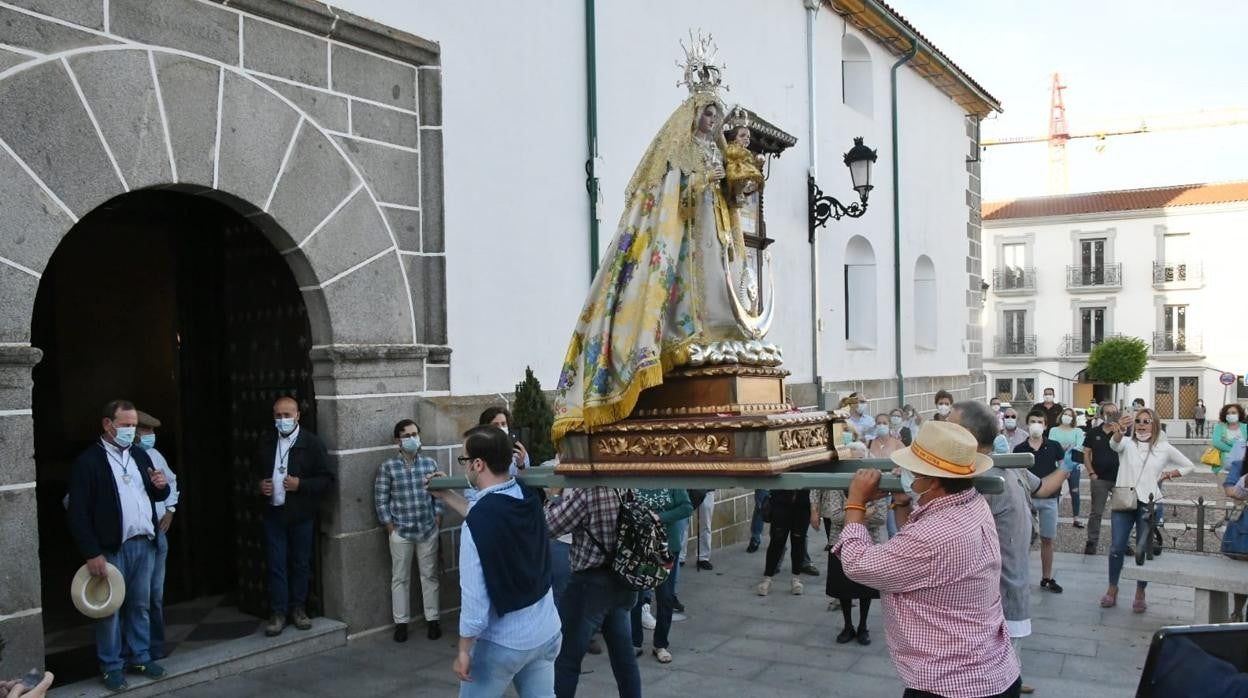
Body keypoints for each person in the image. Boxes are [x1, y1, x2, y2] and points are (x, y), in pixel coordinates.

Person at [551, 71, 750, 444]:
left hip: (713, 232)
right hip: (685, 235)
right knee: (687, 285)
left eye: (716, 115)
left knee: (719, 281)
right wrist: (702, 182)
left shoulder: (717, 150)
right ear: (693, 115)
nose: (712, 121)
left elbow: (731, 200)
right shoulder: (677, 150)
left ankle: (717, 331)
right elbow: (669, 196)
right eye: (707, 114)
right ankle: (683, 336)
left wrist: (733, 186)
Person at [834, 421, 1022, 698]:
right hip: (989, 671)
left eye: (913, 471)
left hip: (951, 683)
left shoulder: (934, 535)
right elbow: (914, 546)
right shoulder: (972, 502)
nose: (908, 475)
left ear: (932, 481)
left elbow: (857, 563)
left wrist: (855, 503)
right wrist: (902, 502)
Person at [424, 426, 561, 697]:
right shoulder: (526, 495)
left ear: (478, 464)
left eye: (464, 460)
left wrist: (463, 650)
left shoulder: (479, 523)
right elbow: (488, 514)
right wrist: (447, 496)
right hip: (546, 629)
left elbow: (475, 601)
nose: (463, 468)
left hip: (504, 641)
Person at [951, 401, 1073, 696]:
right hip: (996, 591)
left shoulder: (997, 473)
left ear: (967, 434)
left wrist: (1066, 469)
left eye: (949, 427)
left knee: (992, 682)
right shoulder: (988, 471)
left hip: (998, 595)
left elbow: (1041, 487)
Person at [66, 400, 171, 691]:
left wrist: (161, 485)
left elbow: (158, 494)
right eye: (125, 425)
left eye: (133, 425)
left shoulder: (140, 455)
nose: (131, 431)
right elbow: (78, 513)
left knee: (140, 604)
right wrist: (91, 552)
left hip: (144, 543)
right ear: (107, 425)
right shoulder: (89, 462)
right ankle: (111, 665)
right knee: (109, 610)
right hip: (111, 549)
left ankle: (140, 656)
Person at [545, 485, 641, 698]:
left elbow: (549, 526)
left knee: (566, 660)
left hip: (590, 585)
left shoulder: (589, 492)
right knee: (624, 658)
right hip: (621, 579)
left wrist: (553, 497)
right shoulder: (625, 485)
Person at [254, 396, 334, 637]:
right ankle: (278, 612)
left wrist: (301, 484)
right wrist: (259, 487)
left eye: (287, 415)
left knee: (300, 563)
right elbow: (252, 474)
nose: (282, 420)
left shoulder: (311, 444)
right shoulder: (266, 442)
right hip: (274, 513)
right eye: (278, 416)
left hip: (300, 515)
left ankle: (298, 609)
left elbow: (327, 479)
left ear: (298, 415)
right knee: (276, 564)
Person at [1101, 408, 1194, 612]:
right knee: (1117, 547)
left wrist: (1169, 474)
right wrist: (1121, 430)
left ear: (1155, 424)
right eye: (1139, 421)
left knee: (1143, 548)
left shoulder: (1164, 448)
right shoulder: (1127, 443)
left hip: (1149, 504)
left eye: (1147, 421)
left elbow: (1189, 465)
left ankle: (1140, 591)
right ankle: (1112, 587)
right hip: (1125, 500)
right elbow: (1113, 443)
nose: (1142, 424)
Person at [374, 419, 444, 642]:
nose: (413, 439)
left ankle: (433, 619)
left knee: (429, 575)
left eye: (415, 434)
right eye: (407, 435)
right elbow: (381, 500)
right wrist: (390, 527)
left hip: (427, 528)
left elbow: (439, 493)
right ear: (398, 441)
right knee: (400, 578)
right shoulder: (388, 468)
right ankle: (401, 623)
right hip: (401, 531)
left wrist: (438, 518)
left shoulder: (429, 464)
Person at [813, 487, 884, 645]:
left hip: (869, 541)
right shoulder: (836, 487)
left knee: (866, 587)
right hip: (840, 543)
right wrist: (865, 513)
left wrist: (852, 516)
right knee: (843, 586)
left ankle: (863, 626)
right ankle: (847, 625)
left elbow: (881, 517)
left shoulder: (874, 485)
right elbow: (836, 517)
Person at [134, 410, 178, 660]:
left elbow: (171, 481)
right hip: (134, 537)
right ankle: (135, 651)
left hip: (158, 533)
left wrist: (170, 510)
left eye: (152, 431)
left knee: (155, 595)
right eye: (146, 431)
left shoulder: (154, 455)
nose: (151, 436)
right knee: (136, 599)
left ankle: (156, 646)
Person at [629, 488, 691, 663]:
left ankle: (660, 644)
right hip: (640, 548)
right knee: (636, 596)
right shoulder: (634, 481)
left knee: (665, 597)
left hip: (666, 548)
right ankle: (635, 642)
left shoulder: (671, 481)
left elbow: (686, 507)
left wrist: (660, 517)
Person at [1015, 409, 1067, 593]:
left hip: (1050, 499)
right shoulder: (1019, 449)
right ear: (1027, 424)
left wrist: (1054, 485)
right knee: (1023, 540)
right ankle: (1020, 576)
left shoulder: (1054, 446)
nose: (1036, 424)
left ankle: (1047, 577)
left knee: (1047, 539)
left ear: (1045, 425)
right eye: (1033, 421)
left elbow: (1063, 469)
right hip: (1027, 499)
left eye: (1040, 421)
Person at [756, 488, 813, 596]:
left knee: (798, 542)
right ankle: (767, 579)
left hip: (803, 504)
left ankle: (796, 579)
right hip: (781, 502)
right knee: (776, 541)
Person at [1083, 401, 1122, 555]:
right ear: (1101, 414)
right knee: (1096, 512)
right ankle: (1092, 542)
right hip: (1099, 478)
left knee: (1121, 512)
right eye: (1108, 412)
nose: (1111, 415)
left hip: (1120, 479)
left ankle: (1121, 542)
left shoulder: (1122, 432)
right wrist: (1091, 472)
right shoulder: (1093, 433)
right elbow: (1086, 453)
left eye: (1114, 412)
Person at [1222, 452, 1248, 621]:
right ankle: (1238, 611)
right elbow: (1229, 490)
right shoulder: (1239, 465)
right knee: (1242, 573)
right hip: (1244, 527)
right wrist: (1245, 483)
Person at [1050, 407, 1086, 529]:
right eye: (1065, 414)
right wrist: (1065, 447)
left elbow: (1079, 447)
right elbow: (1052, 445)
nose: (1067, 416)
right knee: (1055, 491)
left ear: (1073, 418)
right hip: (1057, 465)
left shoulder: (1078, 431)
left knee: (1075, 491)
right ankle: (1053, 517)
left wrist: (1064, 447)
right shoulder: (1054, 430)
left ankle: (1076, 518)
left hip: (1073, 465)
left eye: (1070, 415)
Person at [480, 406, 530, 472]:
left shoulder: (519, 452)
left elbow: (526, 479)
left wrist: (520, 465)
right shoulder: (479, 451)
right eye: (495, 425)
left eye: (503, 424)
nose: (500, 427)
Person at [1211, 403, 1245, 475]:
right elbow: (1216, 443)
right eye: (1228, 413)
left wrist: (1228, 441)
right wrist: (1238, 449)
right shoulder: (1219, 427)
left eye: (1233, 413)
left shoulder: (1245, 427)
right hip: (1224, 468)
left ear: (1239, 414)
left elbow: (1246, 443)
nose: (1230, 415)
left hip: (1244, 467)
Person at [746, 489, 769, 553]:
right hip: (763, 481)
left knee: (779, 508)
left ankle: (778, 540)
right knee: (761, 507)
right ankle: (755, 538)